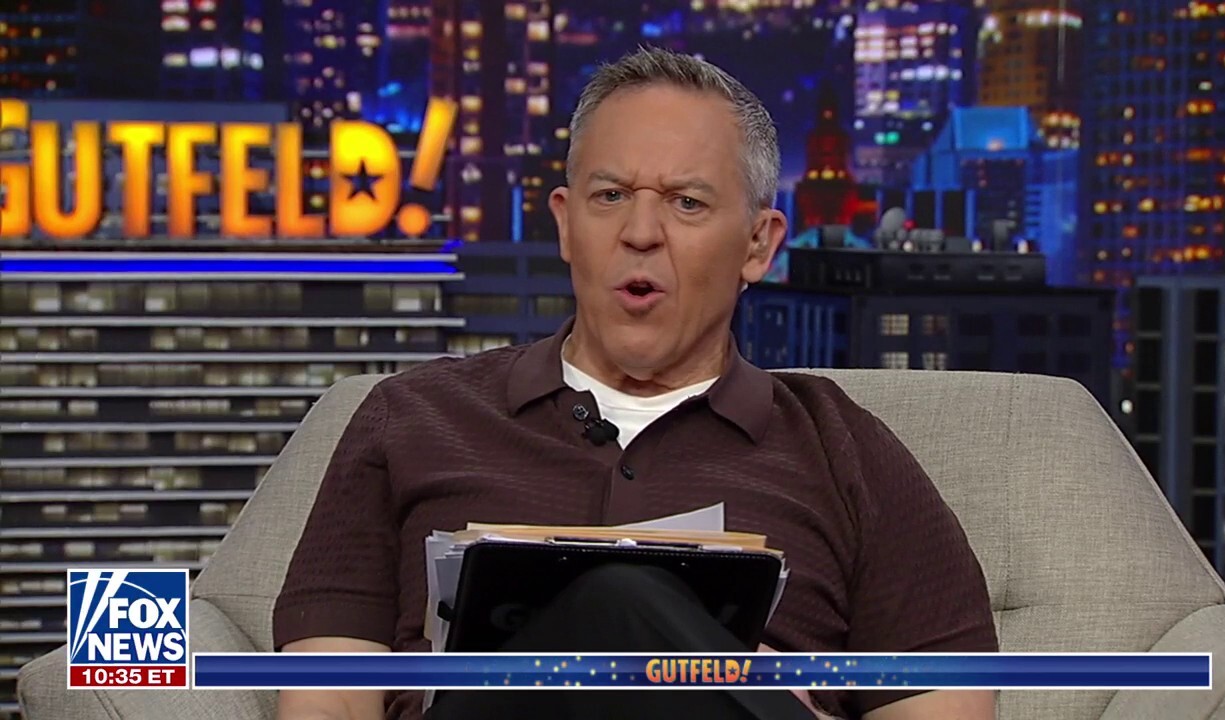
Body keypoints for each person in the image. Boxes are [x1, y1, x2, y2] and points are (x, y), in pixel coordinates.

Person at [273, 47, 998, 720]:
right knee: (617, 602)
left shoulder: (843, 450)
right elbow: (327, 700)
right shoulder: (413, 418)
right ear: (566, 225)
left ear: (758, 245)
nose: (641, 231)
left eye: (687, 202)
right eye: (612, 195)